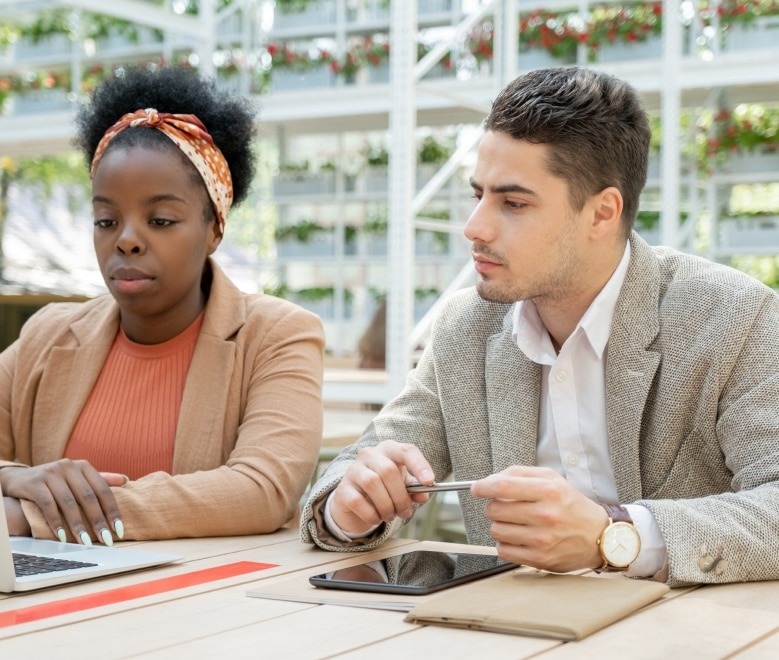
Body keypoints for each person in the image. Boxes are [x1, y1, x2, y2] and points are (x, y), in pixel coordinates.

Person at [301, 67, 779, 588]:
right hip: (512, 635)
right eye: (477, 195)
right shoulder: (466, 327)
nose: (475, 227)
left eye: (513, 203)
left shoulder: (734, 317)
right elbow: (352, 470)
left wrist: (615, 535)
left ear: (602, 213)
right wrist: (350, 505)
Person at [0, 65, 325, 545]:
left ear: (215, 228)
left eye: (161, 219)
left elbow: (262, 489)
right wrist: (13, 477)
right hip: (48, 604)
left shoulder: (278, 335)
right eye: (106, 221)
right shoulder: (48, 334)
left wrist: (40, 516)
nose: (127, 240)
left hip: (202, 608)